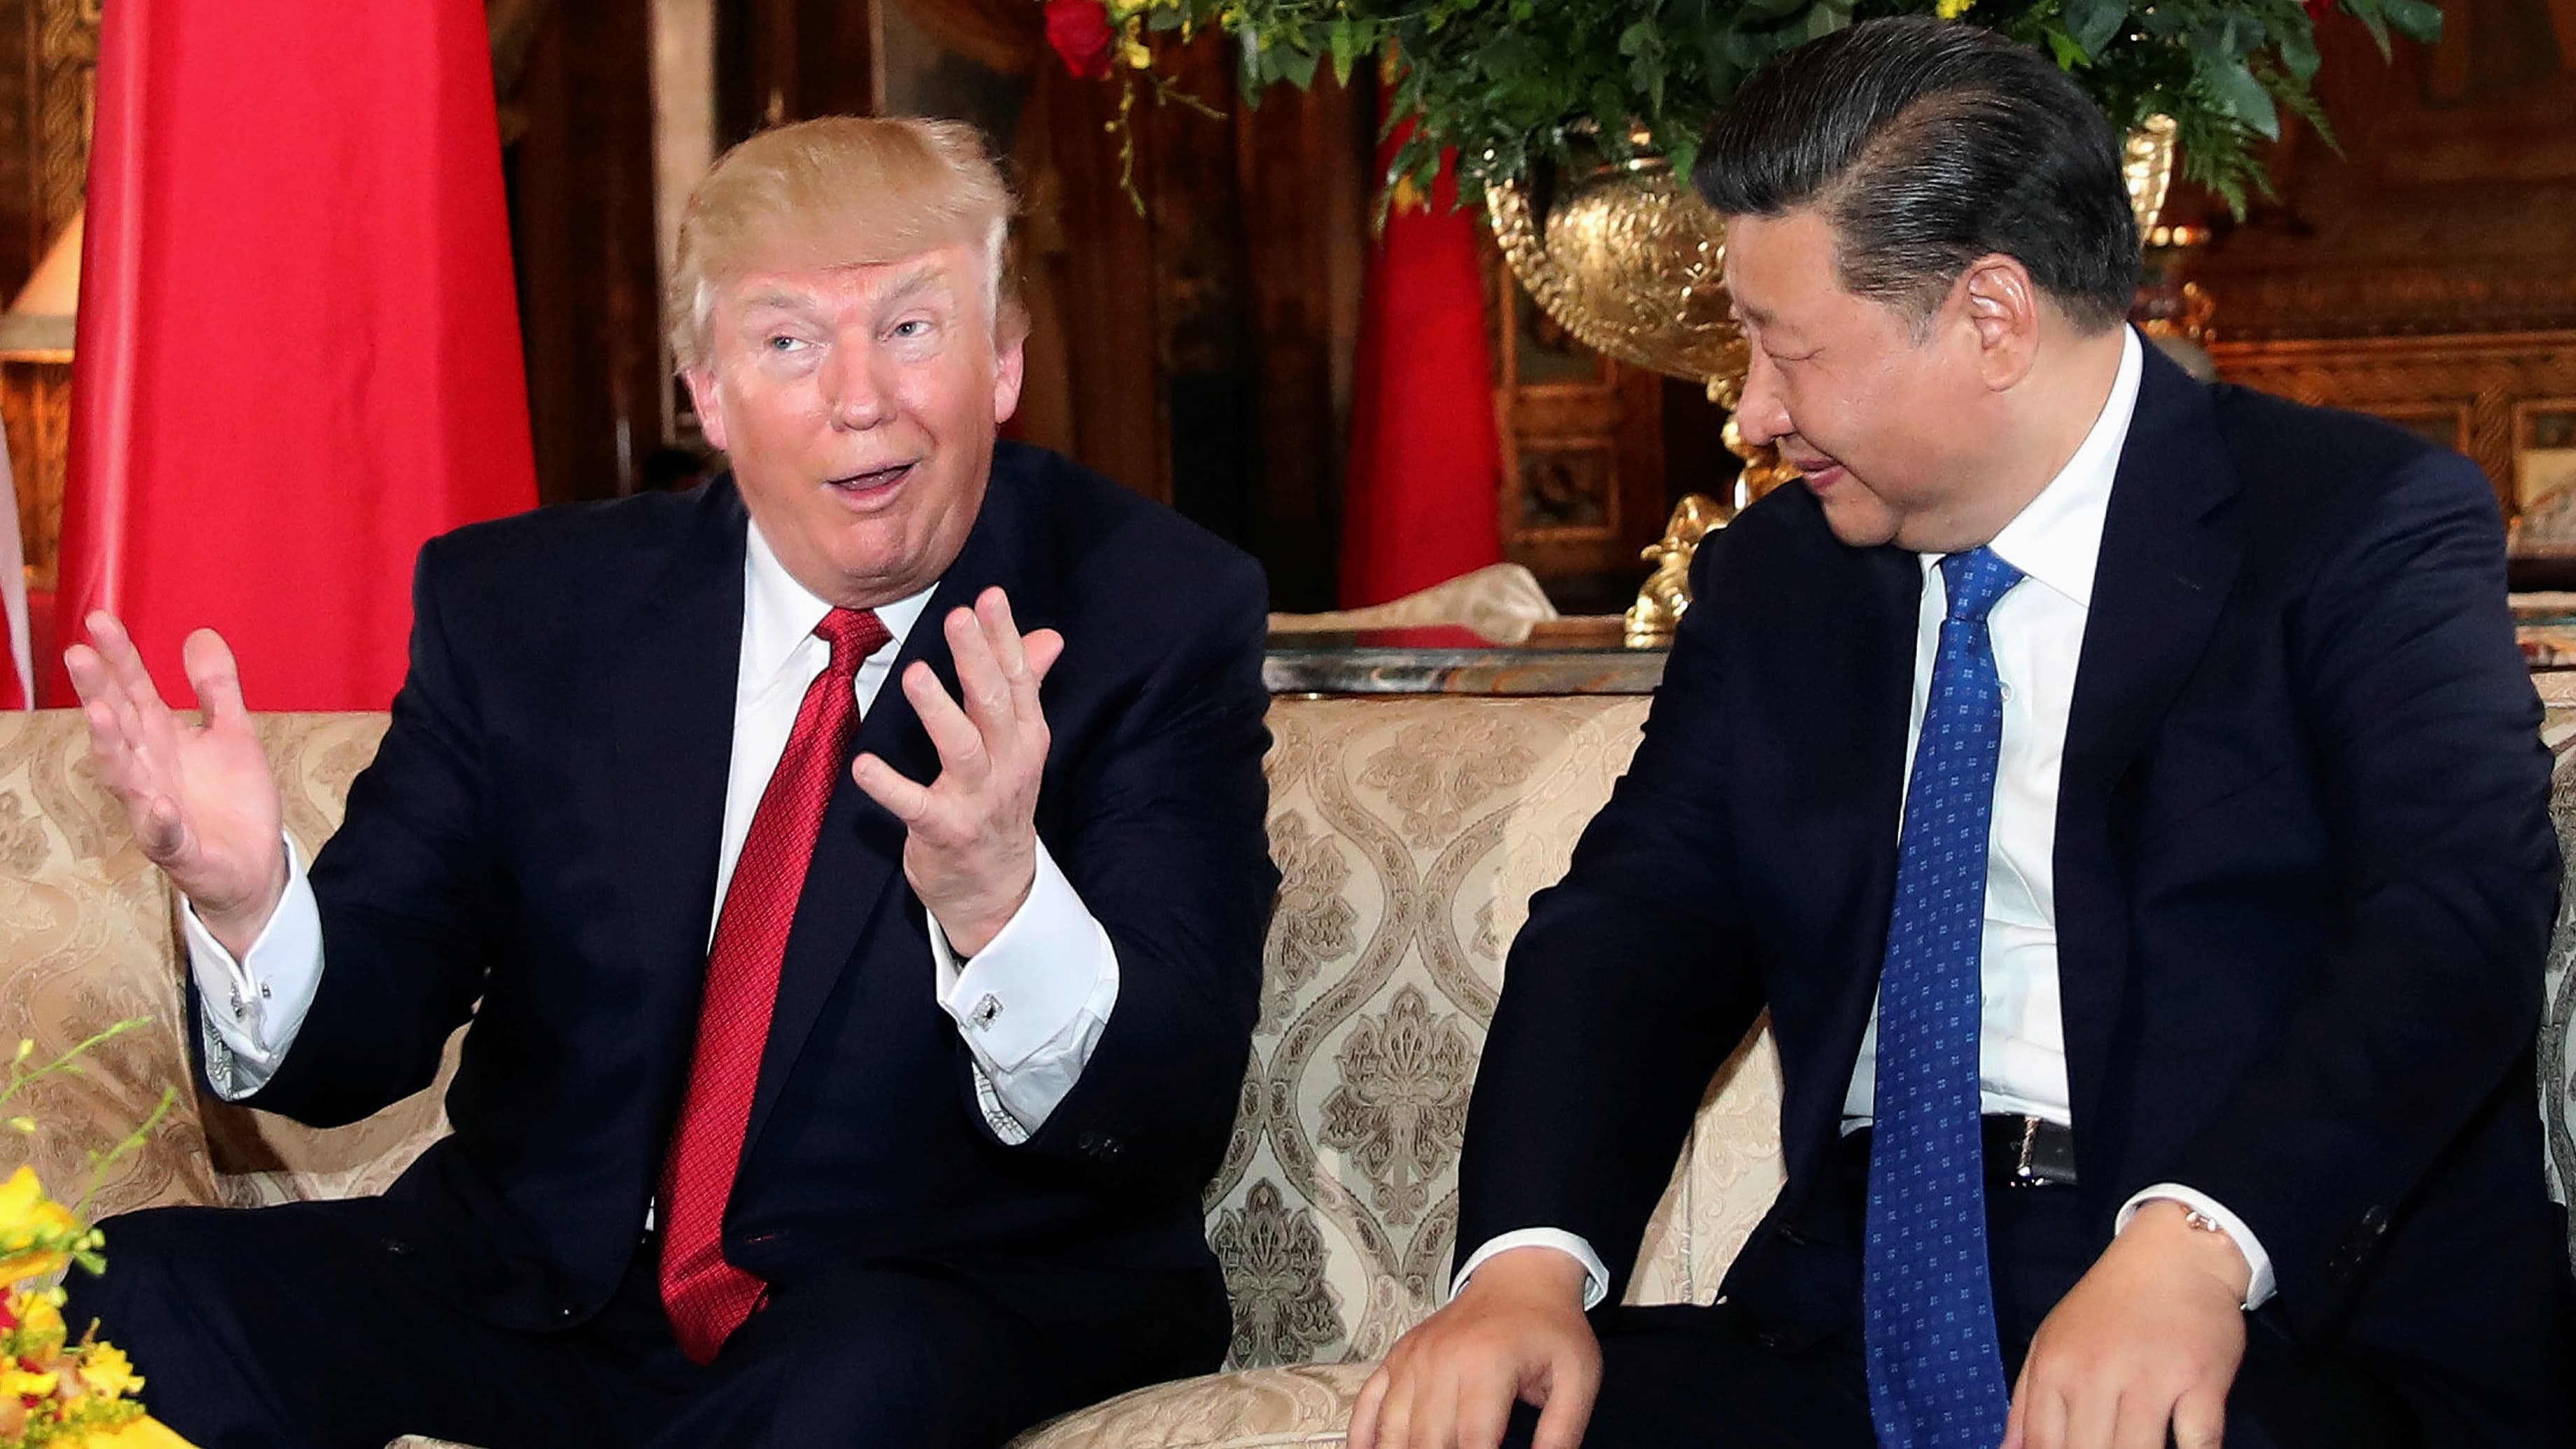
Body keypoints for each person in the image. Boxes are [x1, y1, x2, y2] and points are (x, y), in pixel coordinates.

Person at [1350, 18, 2573, 1449]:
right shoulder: (1780, 584)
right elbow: (1634, 930)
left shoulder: (2354, 522)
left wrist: (2196, 1245)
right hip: (1858, 1304)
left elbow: (2453, 914)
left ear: (1991, 317)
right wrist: (1525, 1272)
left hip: (2262, 1306)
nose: (1753, 413)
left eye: (1786, 349)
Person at [60, 116, 1278, 1449]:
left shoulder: (1151, 610)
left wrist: (1004, 900)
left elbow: (1166, 1107)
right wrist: (250, 906)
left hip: (927, 1300)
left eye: (912, 328)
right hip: (542, 1295)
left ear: (1003, 360)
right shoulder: (526, 609)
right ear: (709, 393)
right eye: (788, 343)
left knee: (848, 1390)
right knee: (124, 1298)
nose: (859, 398)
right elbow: (369, 1027)